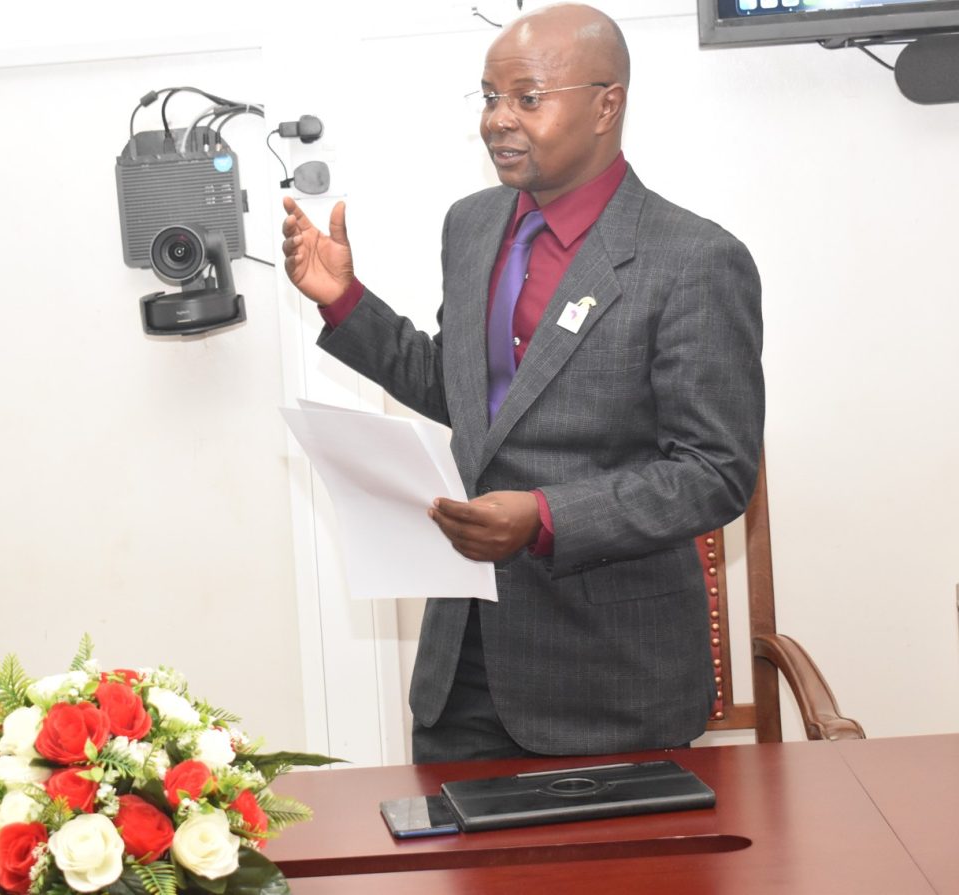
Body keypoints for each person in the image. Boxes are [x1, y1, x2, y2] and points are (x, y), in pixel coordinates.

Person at [281, 3, 764, 763]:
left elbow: (715, 474)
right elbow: (468, 397)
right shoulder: (472, 225)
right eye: (489, 97)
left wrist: (545, 516)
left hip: (610, 682)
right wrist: (344, 301)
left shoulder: (693, 260)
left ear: (608, 104)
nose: (498, 120)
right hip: (462, 666)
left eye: (527, 98)